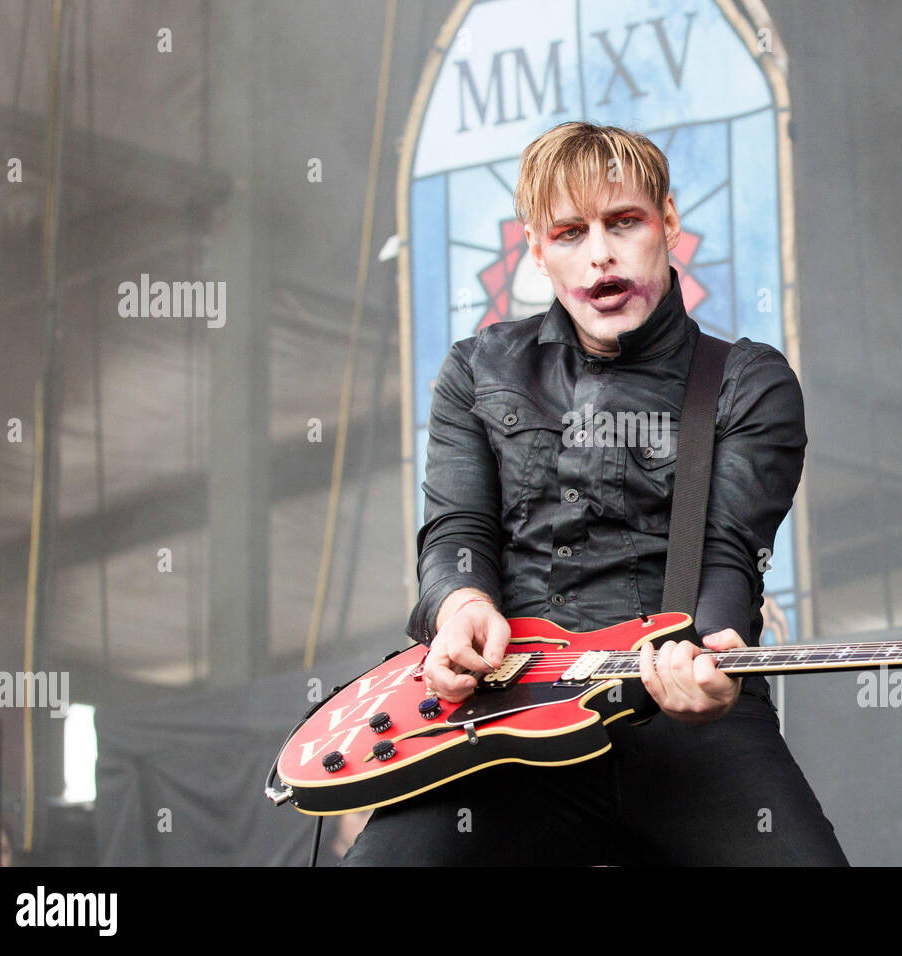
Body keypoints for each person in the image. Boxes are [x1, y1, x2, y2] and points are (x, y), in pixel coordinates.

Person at [341, 121, 848, 865]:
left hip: (685, 717)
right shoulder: (477, 371)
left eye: (624, 222)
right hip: (508, 719)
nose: (600, 253)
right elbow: (456, 534)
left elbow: (727, 553)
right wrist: (461, 608)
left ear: (668, 222)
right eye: (570, 232)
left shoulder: (746, 381)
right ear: (536, 249)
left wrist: (710, 652)